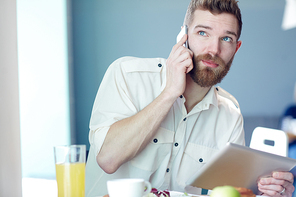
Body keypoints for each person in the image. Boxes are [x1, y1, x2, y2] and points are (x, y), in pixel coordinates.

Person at [85, 0, 294, 196]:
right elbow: (108, 160)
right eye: (203, 33)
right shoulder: (127, 75)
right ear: (183, 37)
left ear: (236, 49)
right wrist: (169, 93)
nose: (214, 49)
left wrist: (267, 193)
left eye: (226, 38)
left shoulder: (229, 115)